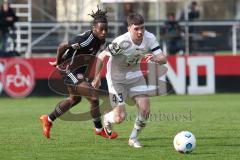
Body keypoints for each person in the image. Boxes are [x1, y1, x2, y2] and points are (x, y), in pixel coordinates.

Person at [40, 8, 118, 139]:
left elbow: (96, 56)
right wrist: (57, 62)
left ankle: (48, 119)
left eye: (106, 29)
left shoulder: (100, 40)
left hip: (79, 71)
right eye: (101, 29)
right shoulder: (86, 39)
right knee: (93, 97)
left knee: (75, 99)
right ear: (94, 28)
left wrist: (97, 76)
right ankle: (99, 129)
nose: (104, 32)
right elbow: (62, 46)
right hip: (69, 69)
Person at [92, 13, 167, 148]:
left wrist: (156, 59)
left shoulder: (150, 38)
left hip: (135, 76)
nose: (140, 32)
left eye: (142, 28)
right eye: (136, 28)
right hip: (116, 79)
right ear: (129, 29)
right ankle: (107, 118)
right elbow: (101, 56)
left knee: (145, 109)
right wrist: (97, 77)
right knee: (119, 117)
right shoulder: (122, 42)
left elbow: (163, 59)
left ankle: (133, 138)